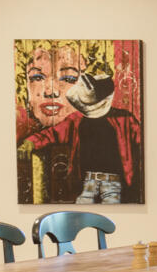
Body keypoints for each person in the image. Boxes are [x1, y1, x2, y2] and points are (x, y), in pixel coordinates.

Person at [15, 39, 144, 204]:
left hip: (113, 180)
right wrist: (30, 143)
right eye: (37, 77)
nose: (50, 91)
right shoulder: (76, 121)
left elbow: (143, 145)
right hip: (88, 179)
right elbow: (52, 134)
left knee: (112, 206)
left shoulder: (125, 120)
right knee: (82, 204)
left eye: (68, 78)